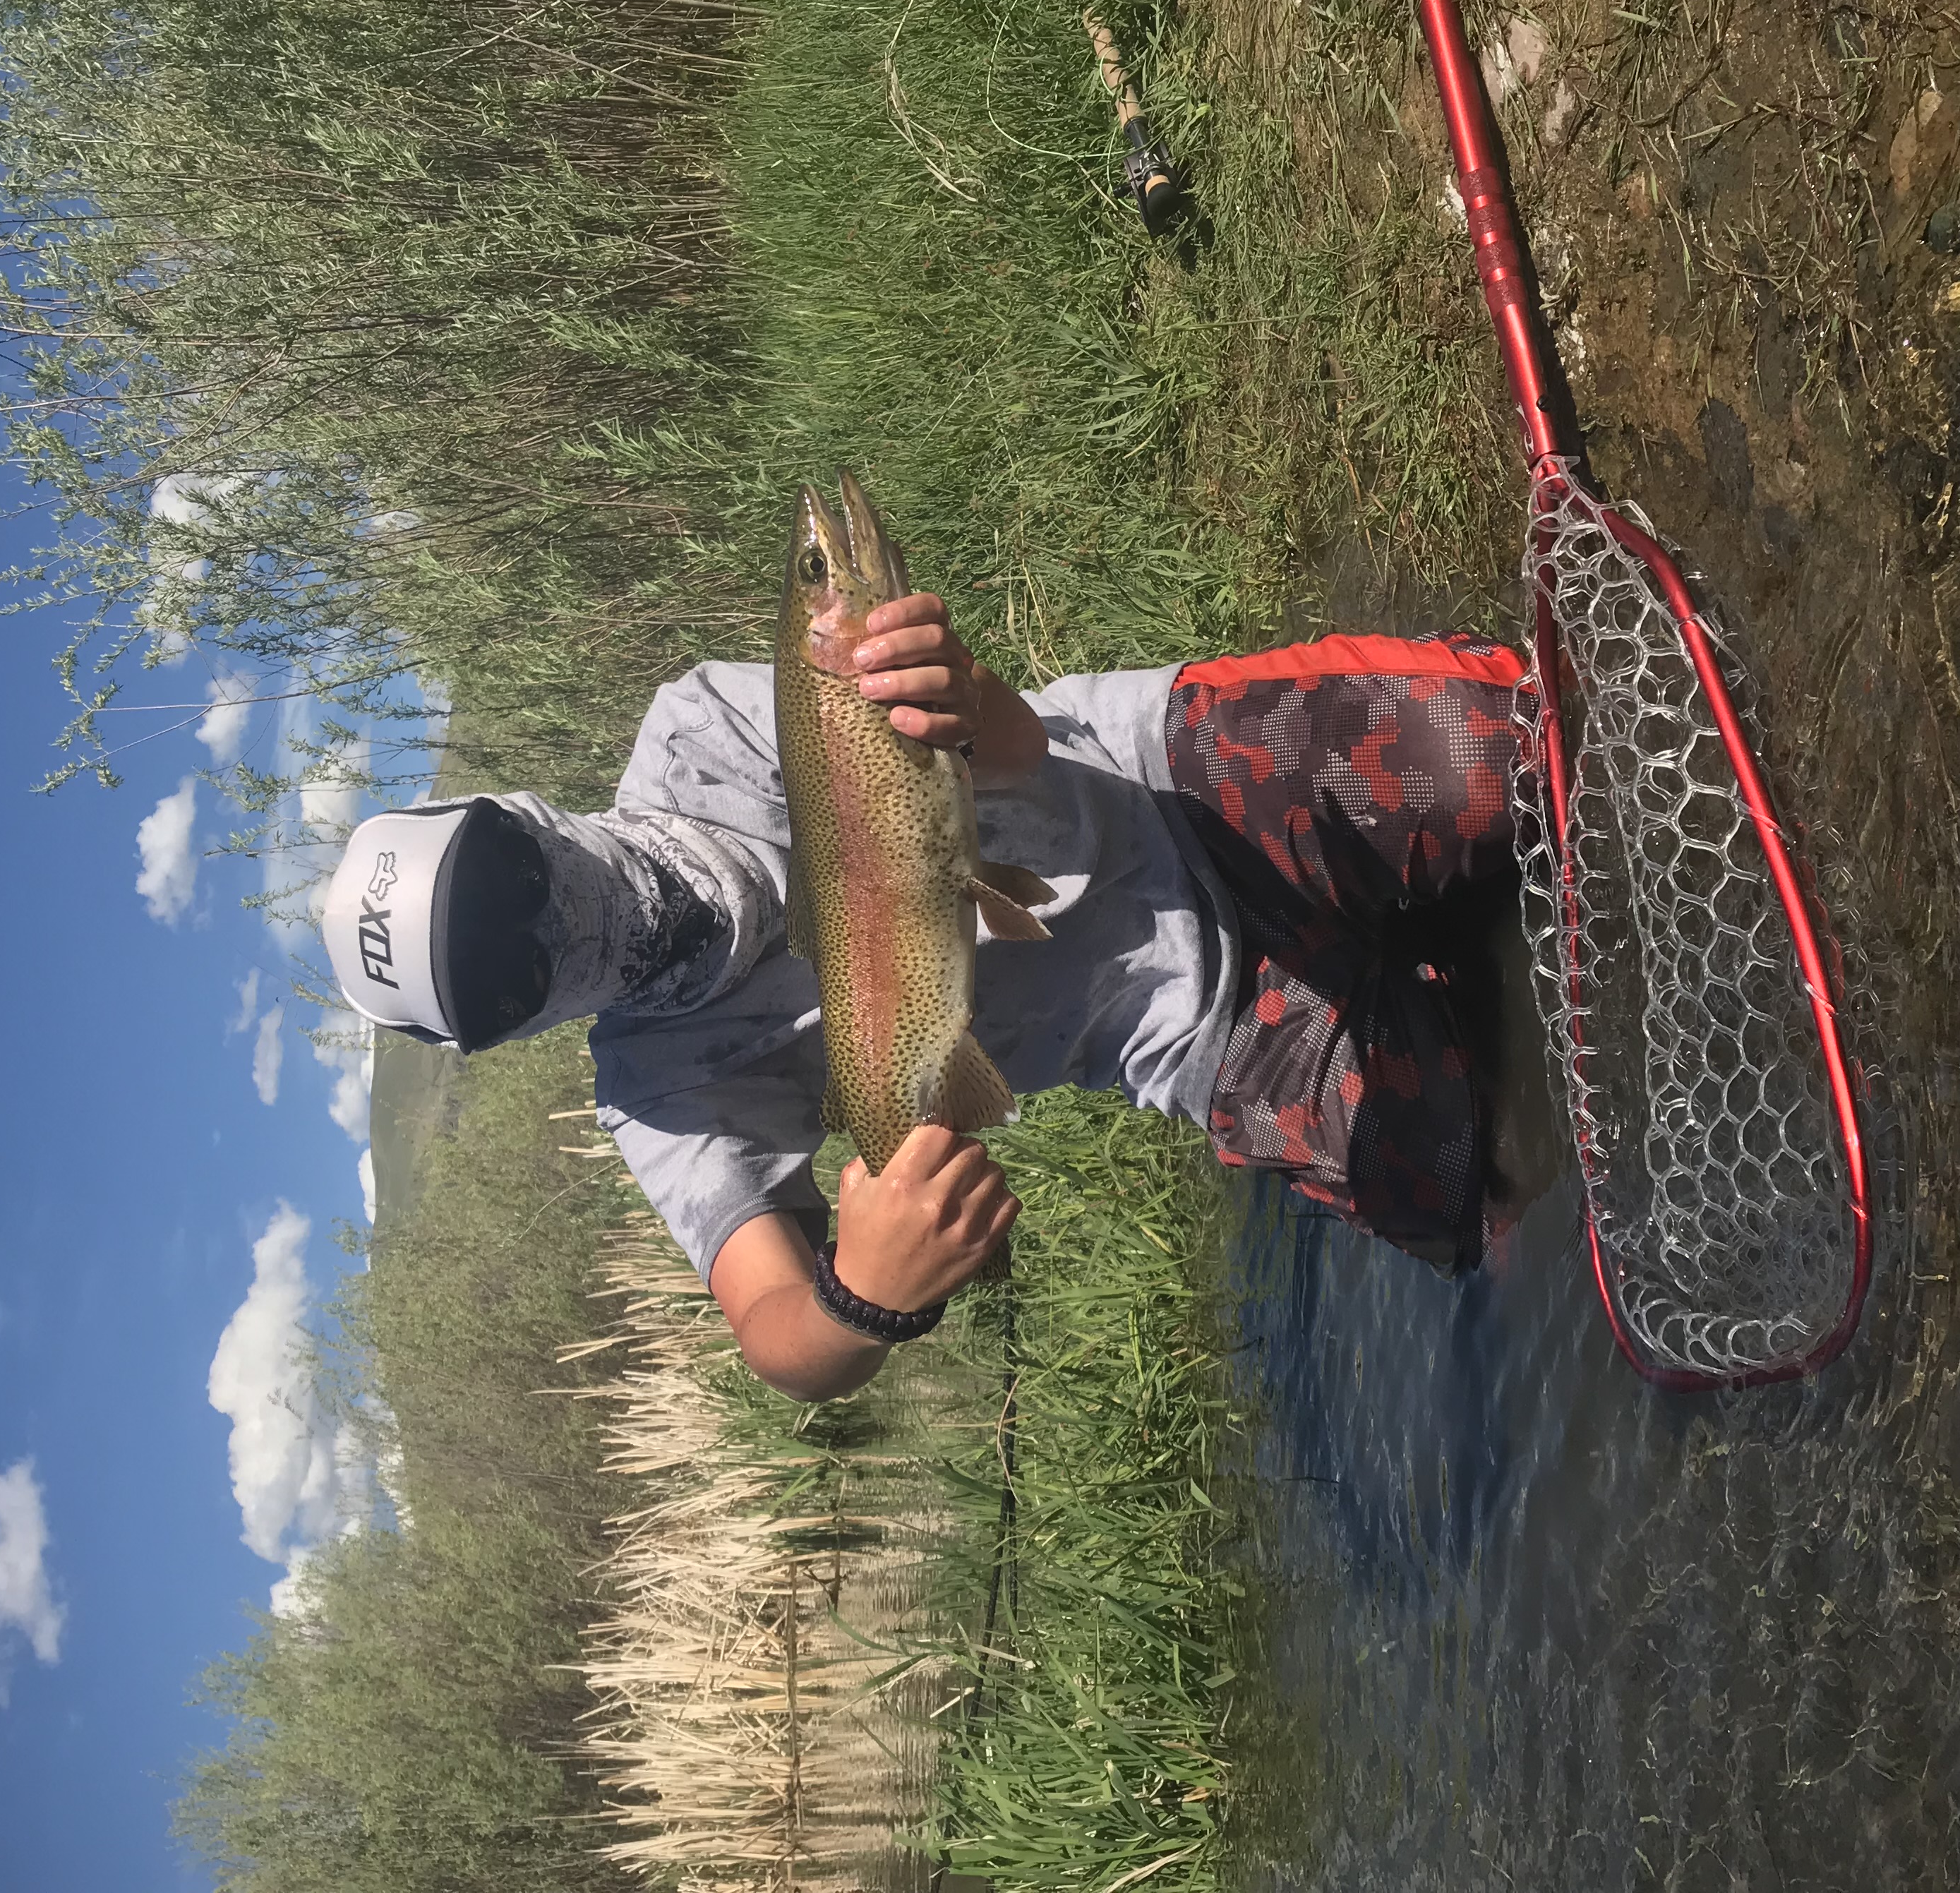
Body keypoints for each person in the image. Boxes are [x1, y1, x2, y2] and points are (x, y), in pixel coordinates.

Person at [322, 593, 1542, 1401]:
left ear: (512, 814)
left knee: (1537, 757)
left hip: (1181, 790)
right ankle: (1434, 960)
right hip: (1208, 1034)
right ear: (509, 1032)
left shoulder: (704, 729)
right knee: (1494, 1194)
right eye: (502, 975)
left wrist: (966, 700)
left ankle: (1434, 903)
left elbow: (945, 734)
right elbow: (779, 1336)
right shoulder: (668, 1096)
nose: (541, 928)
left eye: (500, 882)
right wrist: (864, 1301)